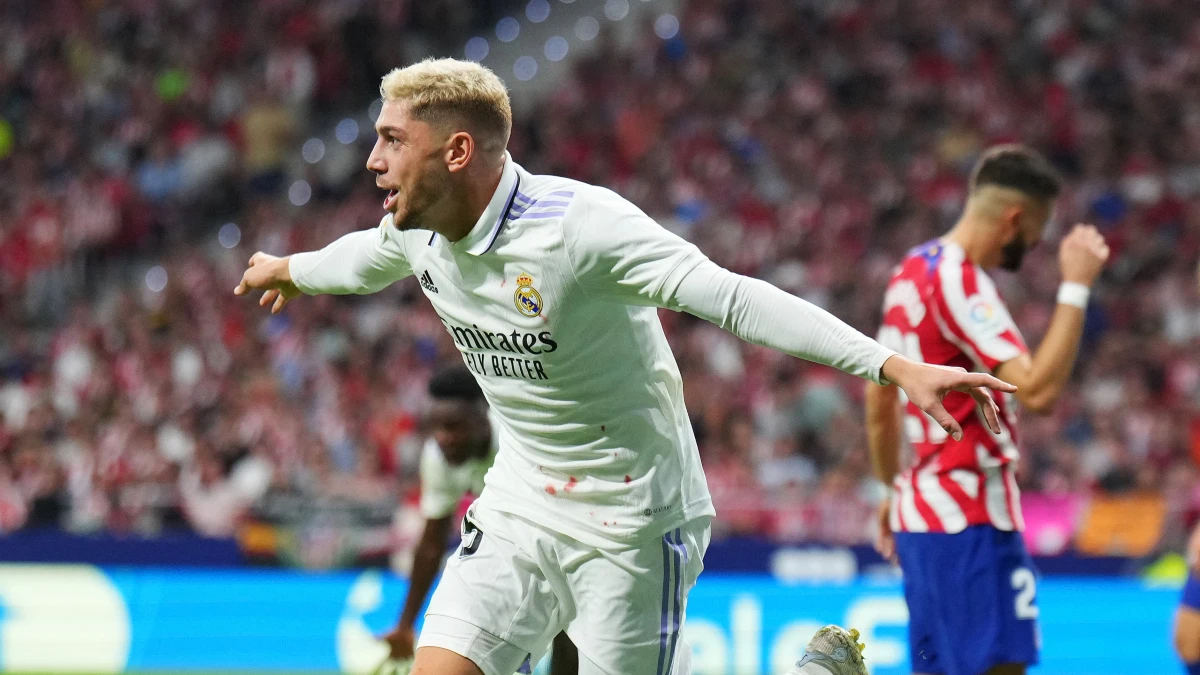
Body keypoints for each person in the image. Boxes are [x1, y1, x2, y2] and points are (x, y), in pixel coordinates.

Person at [235, 57, 1016, 675]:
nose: (372, 160)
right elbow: (360, 261)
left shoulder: (581, 229)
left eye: (391, 140)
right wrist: (287, 267)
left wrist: (891, 366)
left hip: (635, 520)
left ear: (457, 150)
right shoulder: (415, 230)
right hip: (520, 505)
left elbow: (733, 297)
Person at [865, 145, 1109, 675]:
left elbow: (878, 400)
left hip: (925, 521)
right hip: (968, 520)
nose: (1035, 245)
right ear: (1014, 218)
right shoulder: (959, 280)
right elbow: (1036, 391)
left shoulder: (910, 270)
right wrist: (1077, 284)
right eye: (1036, 232)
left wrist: (890, 488)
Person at [381, 367, 578, 674]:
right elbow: (432, 544)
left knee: (571, 622)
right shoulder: (437, 455)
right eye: (435, 427)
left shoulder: (521, 443)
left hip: (569, 531)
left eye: (454, 426)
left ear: (484, 416)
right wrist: (405, 625)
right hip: (511, 541)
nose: (443, 438)